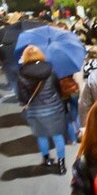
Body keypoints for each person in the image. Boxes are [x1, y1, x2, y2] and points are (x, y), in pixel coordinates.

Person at [17, 45, 68, 175]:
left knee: (42, 136)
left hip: (36, 110)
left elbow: (22, 96)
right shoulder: (50, 69)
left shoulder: (22, 73)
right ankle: (61, 165)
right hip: (54, 107)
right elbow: (58, 88)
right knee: (58, 135)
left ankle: (46, 160)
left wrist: (25, 103)